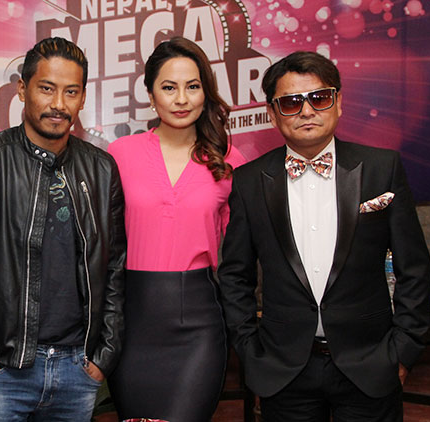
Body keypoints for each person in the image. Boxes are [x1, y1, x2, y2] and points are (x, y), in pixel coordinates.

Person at [219, 51, 430, 421]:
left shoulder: (382, 168)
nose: (306, 111)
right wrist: (250, 351)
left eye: (319, 98)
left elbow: (414, 268)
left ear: (338, 103)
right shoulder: (249, 181)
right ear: (272, 114)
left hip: (371, 365)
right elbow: (235, 276)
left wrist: (402, 351)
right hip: (283, 370)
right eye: (291, 102)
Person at [0, 37, 126, 422]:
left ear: (82, 98)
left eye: (70, 92)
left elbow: (113, 268)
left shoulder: (101, 169)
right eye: (47, 88)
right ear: (22, 90)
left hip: (77, 370)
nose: (58, 103)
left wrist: (103, 357)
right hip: (1, 370)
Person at [107, 36, 246, 421]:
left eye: (192, 86)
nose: (181, 99)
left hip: (200, 324)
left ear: (206, 92)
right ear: (150, 94)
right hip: (131, 324)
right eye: (169, 87)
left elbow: (242, 256)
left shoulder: (228, 160)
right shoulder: (119, 155)